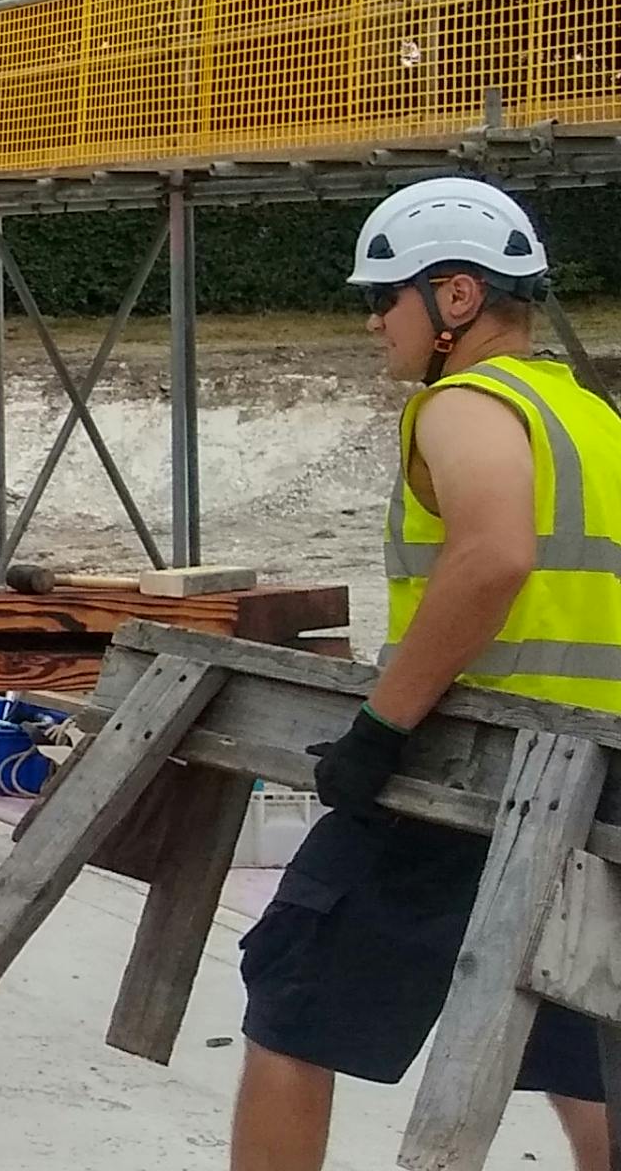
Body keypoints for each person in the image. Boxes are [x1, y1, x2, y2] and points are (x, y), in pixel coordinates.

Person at [232, 178, 621, 1170]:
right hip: (599, 789)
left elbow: (493, 557)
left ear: (454, 298)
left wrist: (380, 731)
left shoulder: (465, 404)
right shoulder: (592, 421)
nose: (372, 322)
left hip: (472, 775)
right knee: (584, 1038)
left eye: (384, 297)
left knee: (294, 991)